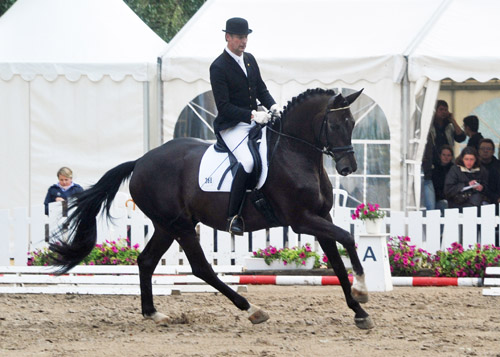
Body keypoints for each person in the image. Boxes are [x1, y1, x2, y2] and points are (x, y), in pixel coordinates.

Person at [210, 17, 279, 235]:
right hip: (232, 126)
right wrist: (252, 115)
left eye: (246, 37)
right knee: (248, 161)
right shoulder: (218, 67)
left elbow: (260, 89)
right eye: (240, 37)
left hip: (254, 120)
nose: (244, 41)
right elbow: (224, 107)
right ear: (228, 37)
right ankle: (233, 217)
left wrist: (273, 106)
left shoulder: (249, 59)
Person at [422, 100, 466, 210]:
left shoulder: (449, 126)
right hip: (433, 164)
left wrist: (453, 120)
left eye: (446, 110)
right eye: (441, 109)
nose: (444, 112)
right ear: (435, 111)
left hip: (447, 161)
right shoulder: (429, 125)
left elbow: (461, 137)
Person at [431, 145, 454, 212]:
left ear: (452, 157)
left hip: (450, 199)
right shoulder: (434, 168)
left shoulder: (454, 169)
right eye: (444, 155)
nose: (446, 157)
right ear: (440, 155)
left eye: (448, 155)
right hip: (436, 198)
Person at [478, 138, 500, 204]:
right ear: (478, 151)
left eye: (488, 149)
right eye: (483, 148)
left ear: (493, 151)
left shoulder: (498, 166)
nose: (485, 151)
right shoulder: (473, 166)